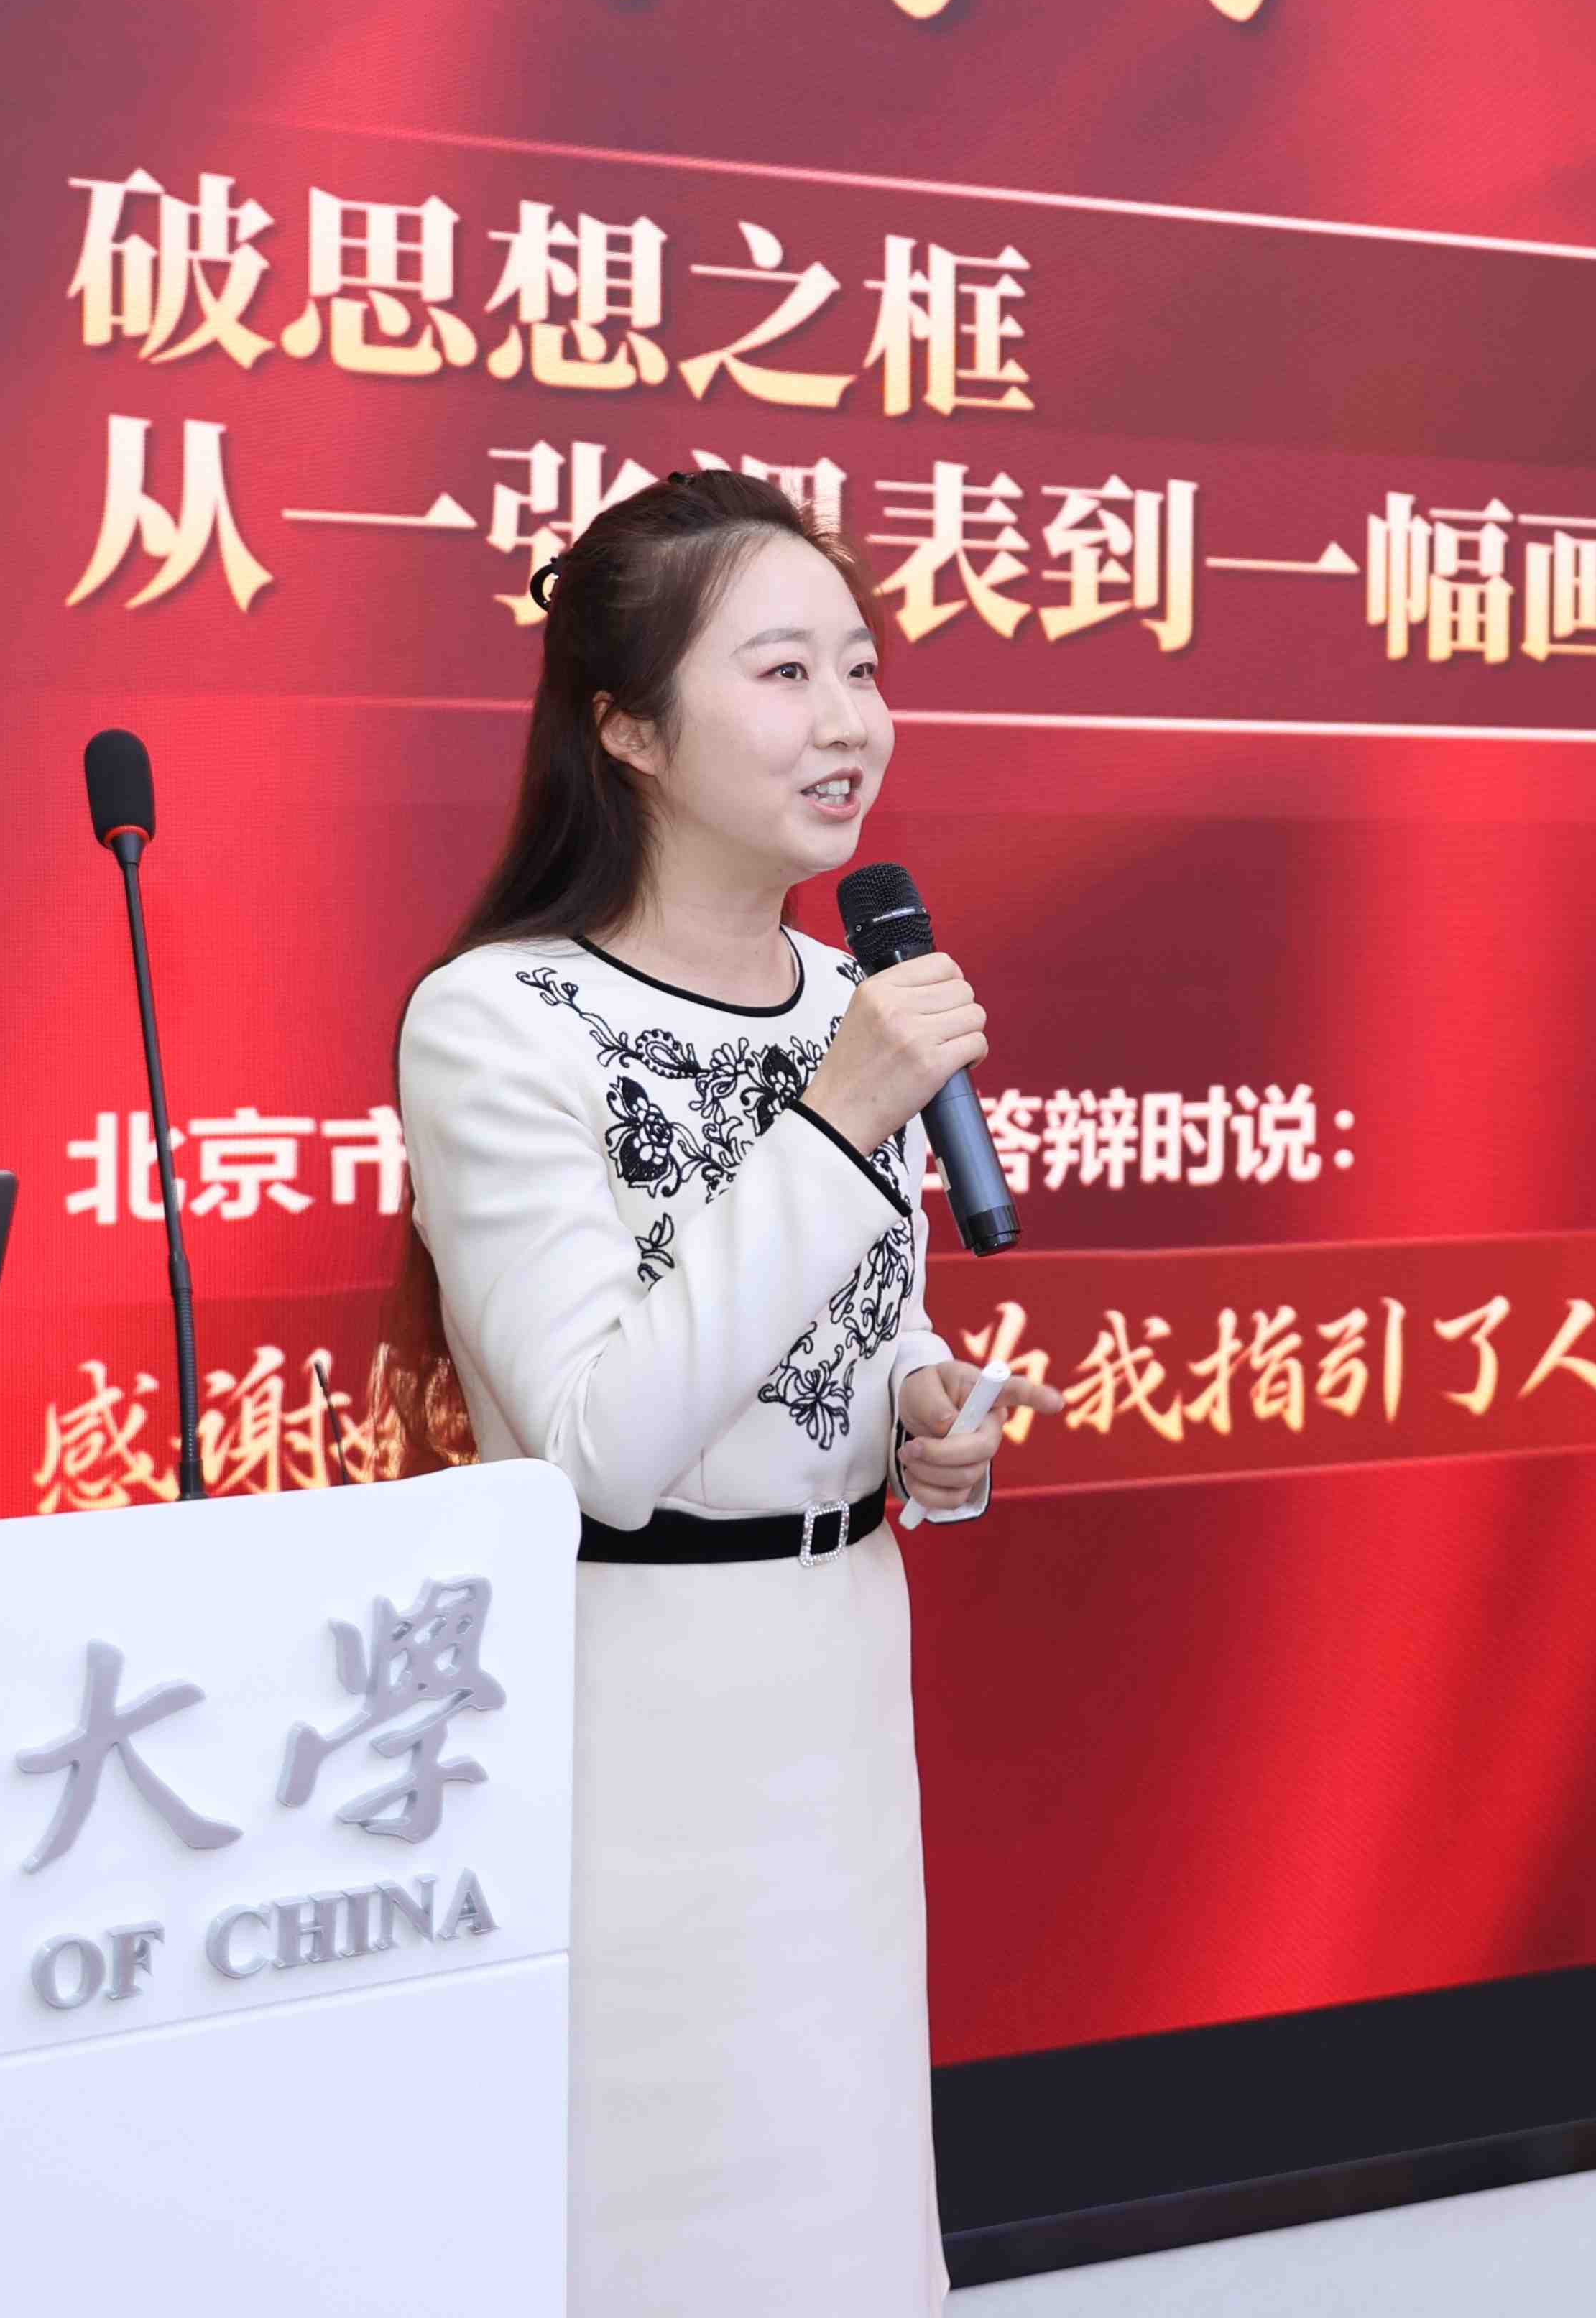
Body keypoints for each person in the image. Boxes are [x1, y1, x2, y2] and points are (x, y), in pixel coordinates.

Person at [394, 469, 1066, 2313]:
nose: (848, 719)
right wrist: (840, 1113)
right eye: (783, 672)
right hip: (633, 1723)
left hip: (836, 1689)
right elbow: (602, 1444)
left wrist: (927, 1414)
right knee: (655, 2225)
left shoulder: (849, 996)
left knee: (842, 2210)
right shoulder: (500, 1017)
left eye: (861, 666)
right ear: (626, 726)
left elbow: (849, 1325)